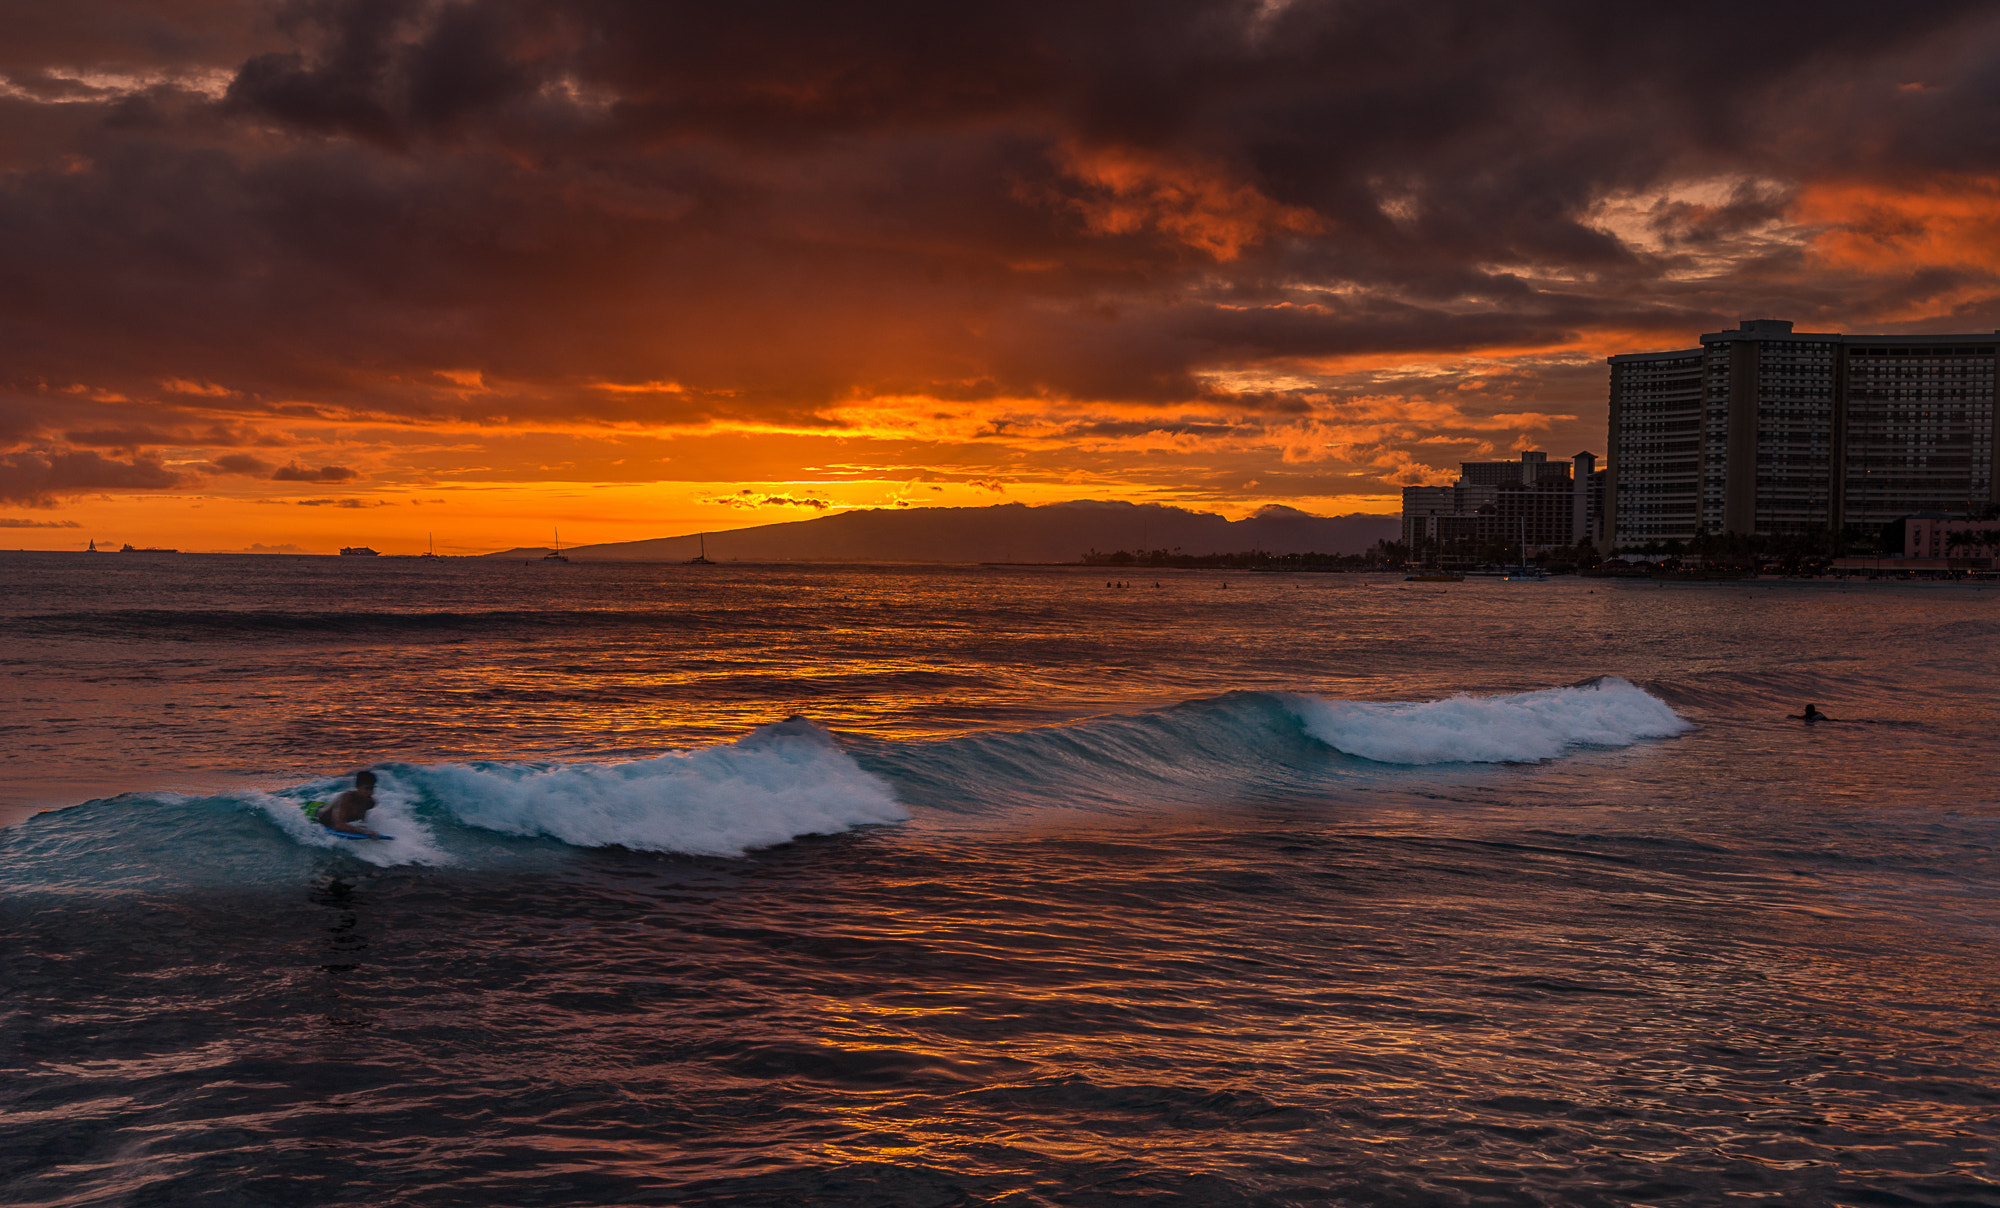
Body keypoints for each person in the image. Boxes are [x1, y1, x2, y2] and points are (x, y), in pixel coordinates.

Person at [310, 770, 383, 837]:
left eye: (372, 788)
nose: (370, 792)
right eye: (367, 788)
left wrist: (364, 830)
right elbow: (338, 826)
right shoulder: (346, 799)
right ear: (357, 787)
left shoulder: (370, 802)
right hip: (316, 815)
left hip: (333, 809)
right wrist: (364, 831)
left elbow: (362, 819)